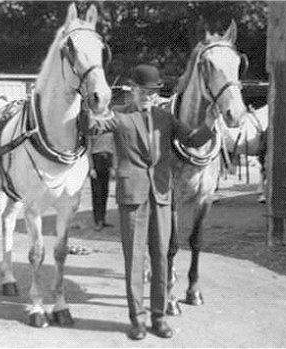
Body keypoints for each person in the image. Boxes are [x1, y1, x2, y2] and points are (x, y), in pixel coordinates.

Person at [79, 64, 217, 340]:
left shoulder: (166, 118)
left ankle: (159, 317)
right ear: (133, 90)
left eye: (152, 92)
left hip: (162, 197)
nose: (148, 96)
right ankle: (137, 320)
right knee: (134, 261)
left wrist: (211, 122)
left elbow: (192, 138)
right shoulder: (119, 116)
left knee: (161, 258)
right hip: (133, 197)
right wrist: (86, 103)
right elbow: (92, 127)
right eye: (143, 91)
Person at [87, 131, 115, 231]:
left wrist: (112, 167)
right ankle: (98, 221)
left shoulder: (110, 133)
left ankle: (103, 219)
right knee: (97, 193)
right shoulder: (93, 132)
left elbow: (113, 149)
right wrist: (91, 168)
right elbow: (88, 151)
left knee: (105, 192)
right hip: (96, 159)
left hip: (107, 159)